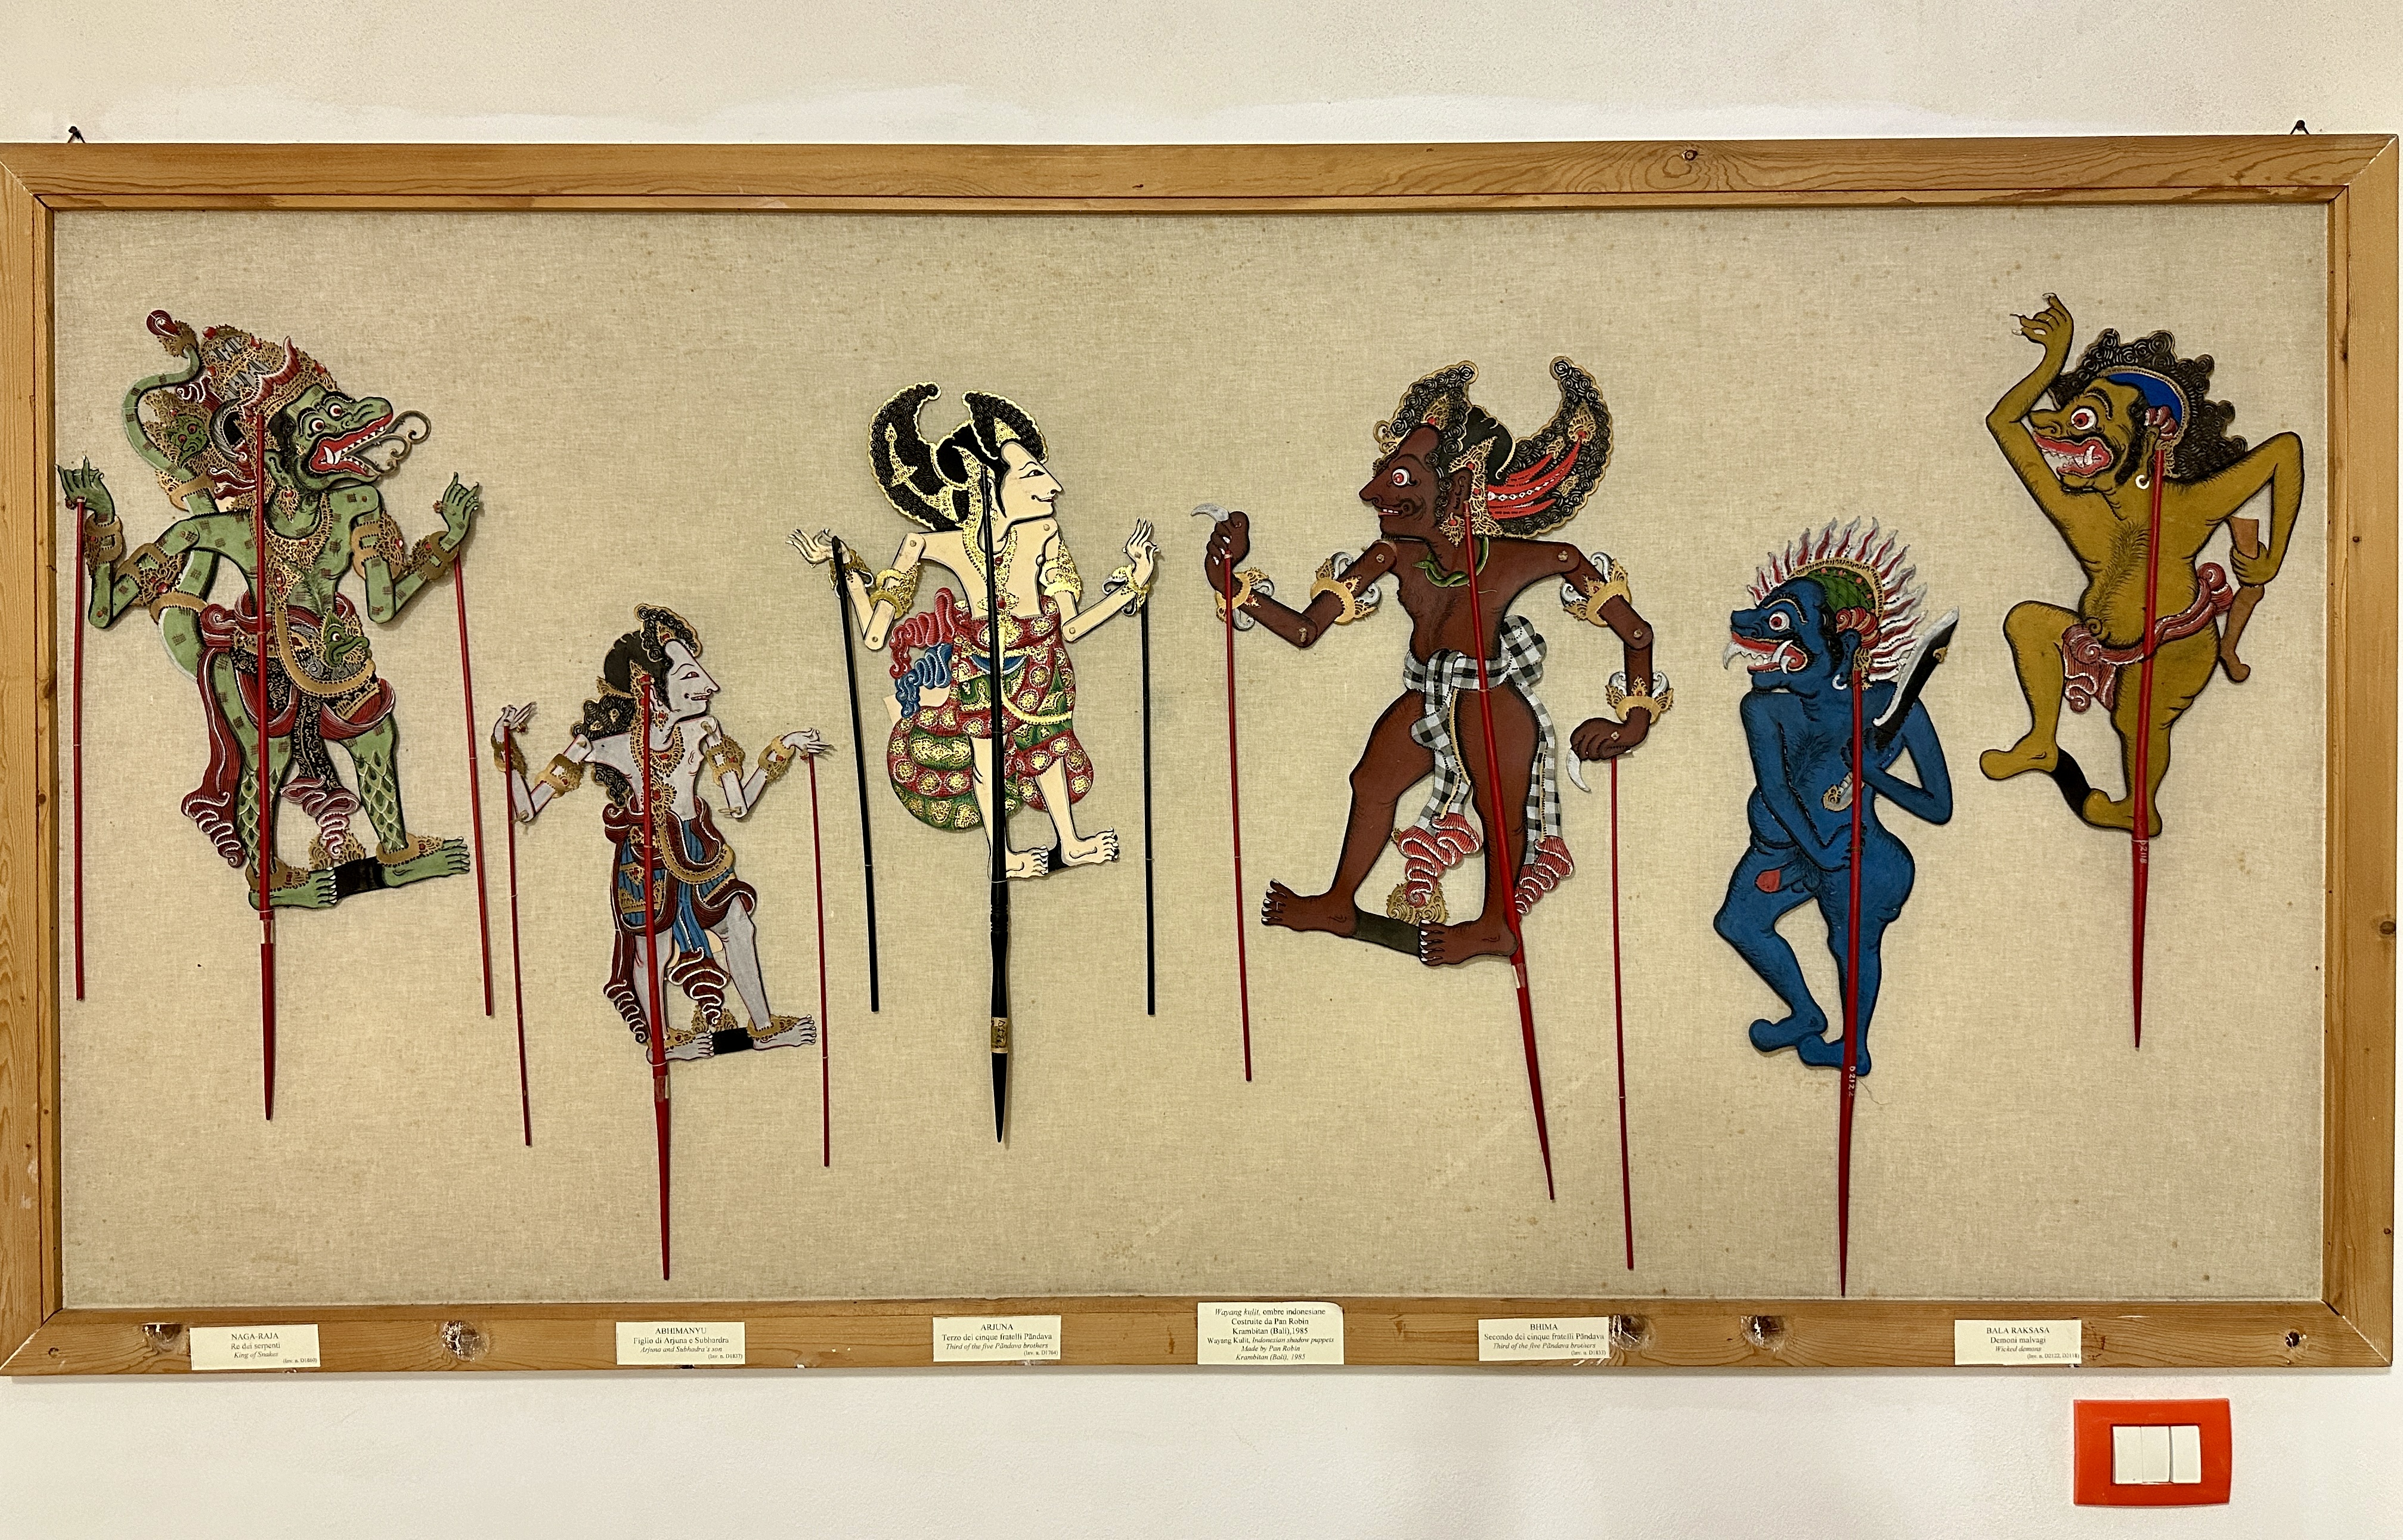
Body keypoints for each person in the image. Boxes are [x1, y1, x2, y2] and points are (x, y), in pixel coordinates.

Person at [1199, 358, 1663, 965]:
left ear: (1459, 487)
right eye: (1382, 476)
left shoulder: (1526, 560)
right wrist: (1232, 583)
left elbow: (1636, 631)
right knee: (1372, 783)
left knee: (1501, 812)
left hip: (1490, 701)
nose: (1371, 495)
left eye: (1399, 479)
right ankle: (1339, 903)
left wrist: (1632, 723)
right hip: (1429, 694)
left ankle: (1496, 926)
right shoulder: (1391, 554)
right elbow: (1307, 629)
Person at [793, 385, 1156, 878]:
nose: (1053, 486)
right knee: (987, 762)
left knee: (1049, 749)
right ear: (986, 480)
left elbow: (1071, 626)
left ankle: (1069, 842)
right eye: (1033, 474)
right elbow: (875, 636)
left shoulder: (1045, 533)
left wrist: (1133, 583)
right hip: (979, 667)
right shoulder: (935, 545)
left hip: (1040, 661)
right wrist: (848, 573)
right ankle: (1001, 855)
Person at [494, 606, 829, 1061]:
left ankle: (764, 1027)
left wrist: (782, 748)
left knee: (738, 924)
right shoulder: (606, 745)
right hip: (646, 854)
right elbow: (526, 807)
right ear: (647, 687)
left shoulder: (704, 730)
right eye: (690, 675)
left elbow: (738, 803)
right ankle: (662, 1042)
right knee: (653, 947)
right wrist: (505, 745)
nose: (709, 685)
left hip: (699, 847)